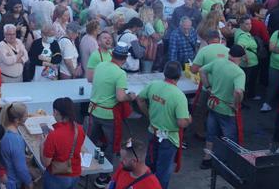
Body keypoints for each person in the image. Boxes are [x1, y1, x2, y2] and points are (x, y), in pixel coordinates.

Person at [136, 61, 191, 189]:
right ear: (179, 76)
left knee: (149, 165)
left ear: (164, 73)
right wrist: (189, 119)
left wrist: (148, 114)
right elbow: (181, 122)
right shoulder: (179, 96)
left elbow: (139, 99)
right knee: (163, 172)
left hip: (153, 132)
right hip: (169, 138)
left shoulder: (153, 85)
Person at [89, 43, 136, 188]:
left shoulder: (101, 65)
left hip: (94, 111)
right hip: (108, 115)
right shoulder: (120, 73)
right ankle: (103, 177)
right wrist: (131, 97)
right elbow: (120, 97)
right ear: (124, 58)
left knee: (91, 142)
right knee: (110, 146)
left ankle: (84, 166)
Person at [199, 45, 246, 169]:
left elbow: (202, 71)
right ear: (240, 58)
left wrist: (208, 87)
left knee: (211, 133)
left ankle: (206, 159)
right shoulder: (239, 72)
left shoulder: (218, 62)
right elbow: (238, 92)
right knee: (230, 137)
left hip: (213, 104)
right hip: (226, 108)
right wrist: (236, 104)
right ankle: (230, 162)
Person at [41, 97, 85, 189]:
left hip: (57, 176)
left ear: (56, 112)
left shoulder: (53, 136)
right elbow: (79, 148)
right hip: (75, 173)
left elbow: (46, 163)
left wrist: (41, 145)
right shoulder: (79, 129)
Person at [0, 102, 33, 189]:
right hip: (12, 182)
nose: (27, 117)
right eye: (26, 115)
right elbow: (20, 168)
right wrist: (29, 182)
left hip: (2, 178)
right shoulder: (15, 140)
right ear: (17, 120)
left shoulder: (2, 130)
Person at [233, 16, 259, 103]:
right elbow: (240, 46)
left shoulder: (239, 32)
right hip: (249, 64)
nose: (250, 26)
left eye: (250, 23)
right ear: (241, 24)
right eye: (247, 24)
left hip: (248, 63)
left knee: (247, 81)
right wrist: (245, 57)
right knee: (247, 82)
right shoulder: (243, 36)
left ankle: (245, 98)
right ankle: (243, 100)